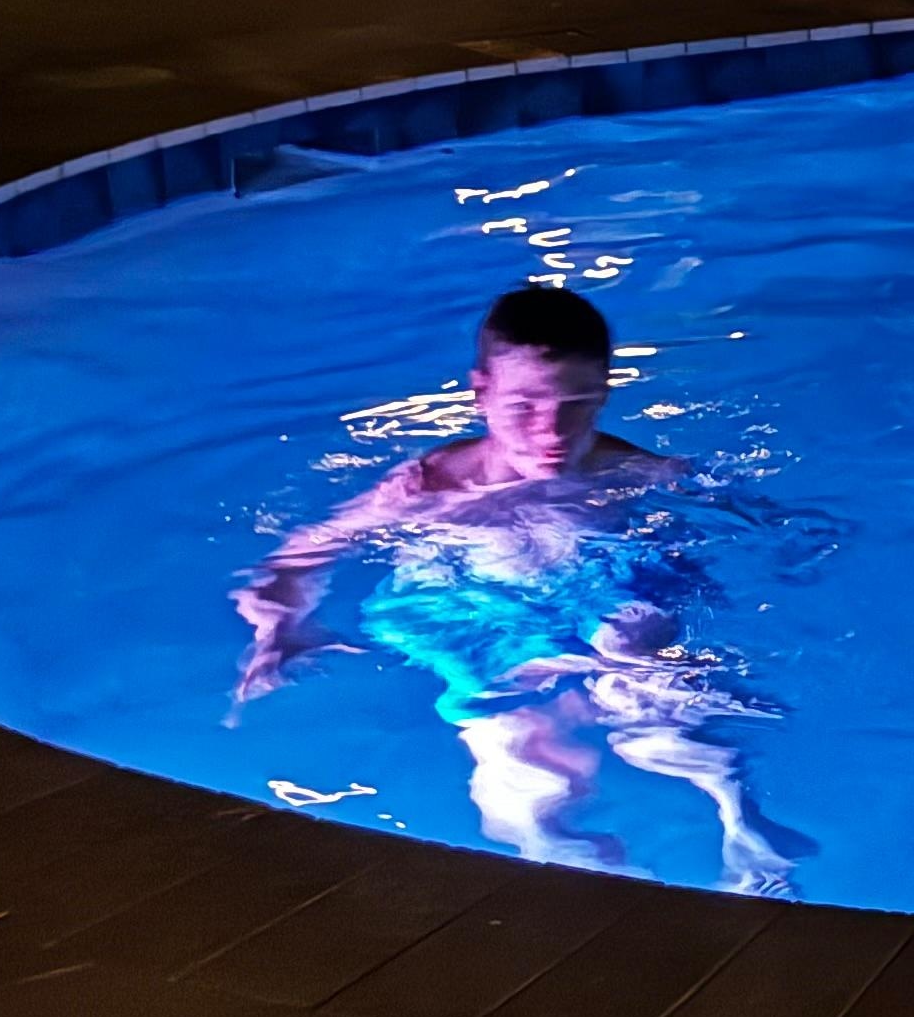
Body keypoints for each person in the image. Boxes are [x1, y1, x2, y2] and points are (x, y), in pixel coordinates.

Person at [234, 284, 811, 895]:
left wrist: (788, 543)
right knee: (519, 781)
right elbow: (303, 551)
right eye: (524, 408)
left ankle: (743, 825)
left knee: (652, 680)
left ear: (606, 392)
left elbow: (762, 522)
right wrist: (279, 625)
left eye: (577, 404)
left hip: (606, 594)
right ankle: (581, 877)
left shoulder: (638, 474)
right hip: (480, 611)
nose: (552, 431)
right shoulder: (430, 487)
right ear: (480, 392)